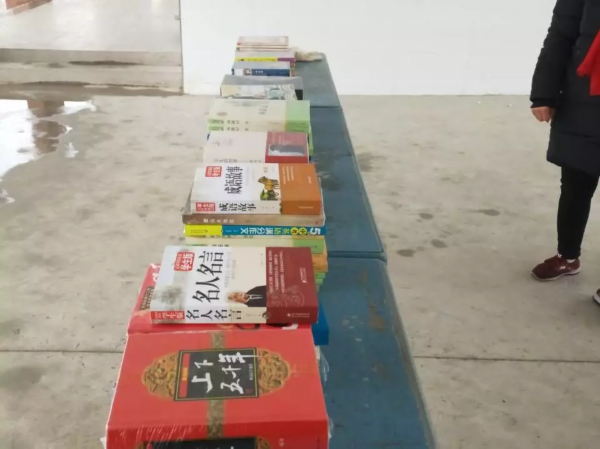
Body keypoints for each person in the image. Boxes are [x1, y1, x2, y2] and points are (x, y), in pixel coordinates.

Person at [530, 0, 600, 304]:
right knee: (575, 185)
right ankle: (567, 256)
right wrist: (544, 94)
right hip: (583, 98)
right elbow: (560, 35)